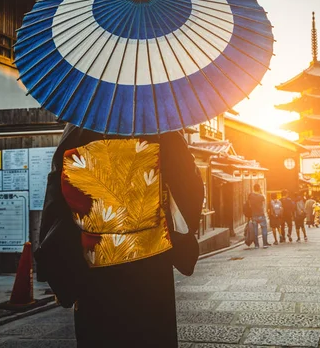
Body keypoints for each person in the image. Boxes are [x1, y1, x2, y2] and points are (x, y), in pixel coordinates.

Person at [38, 124, 204, 347]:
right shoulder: (160, 127)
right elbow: (190, 188)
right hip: (151, 263)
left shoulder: (78, 126)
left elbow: (56, 199)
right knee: (151, 334)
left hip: (95, 263)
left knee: (101, 335)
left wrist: (60, 269)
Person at [248, 183, 270, 248]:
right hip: (261, 214)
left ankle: (256, 245)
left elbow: (249, 205)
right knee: (264, 229)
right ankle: (265, 244)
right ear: (259, 188)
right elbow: (264, 199)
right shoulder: (261, 196)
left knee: (255, 231)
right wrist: (262, 191)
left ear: (253, 188)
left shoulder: (250, 195)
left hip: (254, 215)